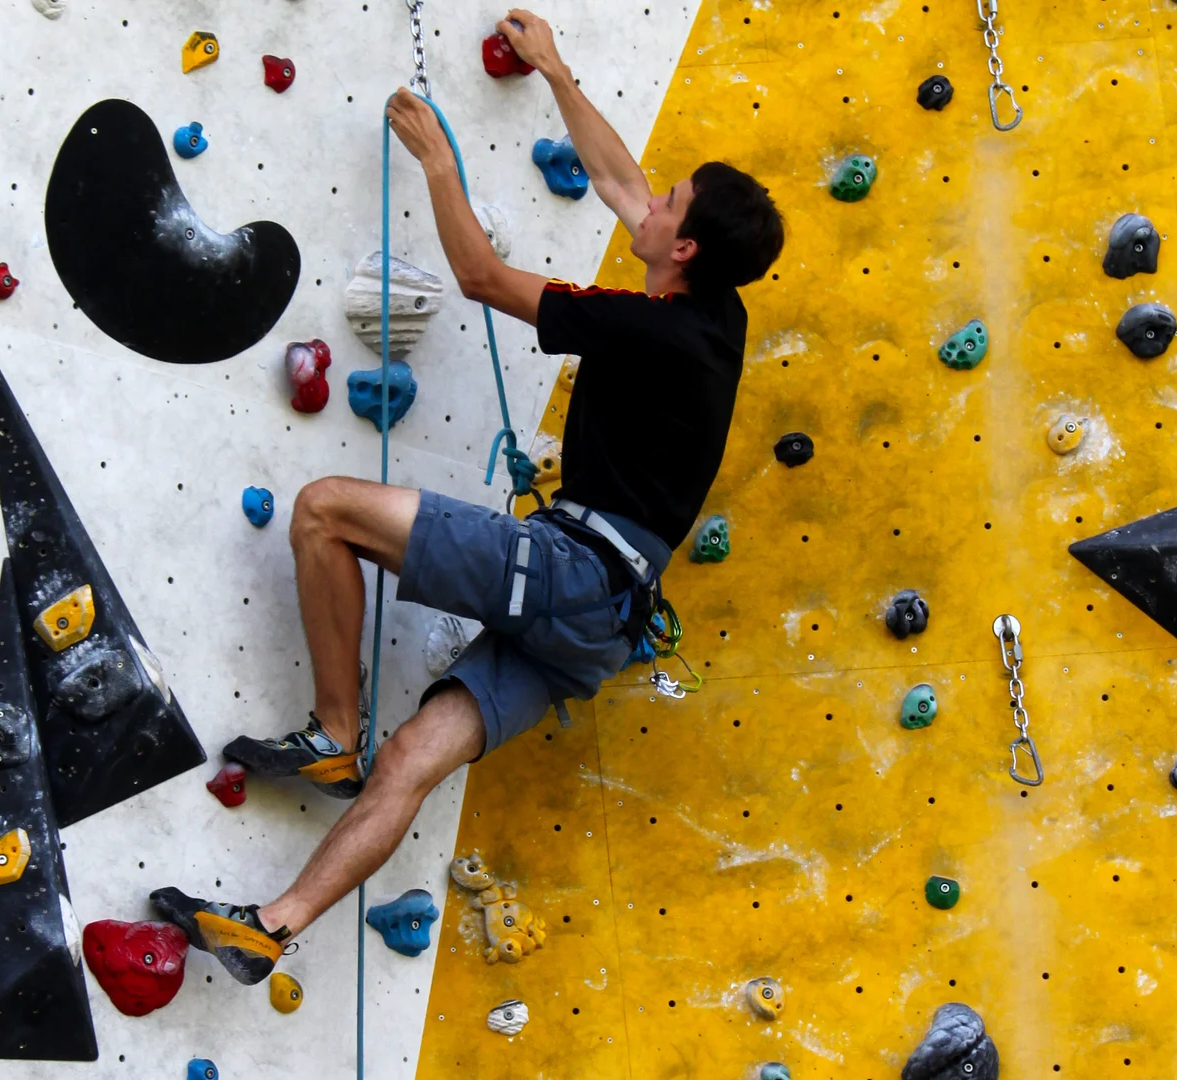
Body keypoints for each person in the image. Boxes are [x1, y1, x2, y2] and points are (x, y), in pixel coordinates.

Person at [151, 8, 784, 984]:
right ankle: (268, 928)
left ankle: (332, 734)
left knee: (323, 509)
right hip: (602, 625)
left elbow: (481, 277)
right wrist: (557, 73)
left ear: (686, 247)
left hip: (573, 570)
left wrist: (439, 164)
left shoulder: (650, 329)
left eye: (673, 202)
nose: (651, 200)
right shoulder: (714, 316)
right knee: (412, 759)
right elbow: (618, 182)